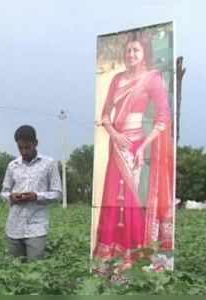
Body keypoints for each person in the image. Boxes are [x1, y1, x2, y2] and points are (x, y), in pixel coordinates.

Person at [93, 31, 174, 274]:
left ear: (144, 54)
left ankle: (133, 253)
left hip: (136, 144)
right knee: (111, 199)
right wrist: (115, 134)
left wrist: (144, 145)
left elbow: (163, 116)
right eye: (128, 50)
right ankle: (108, 255)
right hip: (117, 144)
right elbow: (105, 115)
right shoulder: (117, 79)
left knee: (131, 200)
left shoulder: (152, 79)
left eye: (136, 50)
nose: (131, 54)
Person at [0, 125, 62, 261]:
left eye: (27, 147)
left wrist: (36, 196)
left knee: (36, 269)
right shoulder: (12, 166)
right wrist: (11, 197)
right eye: (20, 148)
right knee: (13, 270)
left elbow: (57, 193)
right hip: (14, 226)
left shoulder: (49, 164)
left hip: (37, 226)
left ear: (36, 143)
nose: (24, 151)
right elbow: (3, 193)